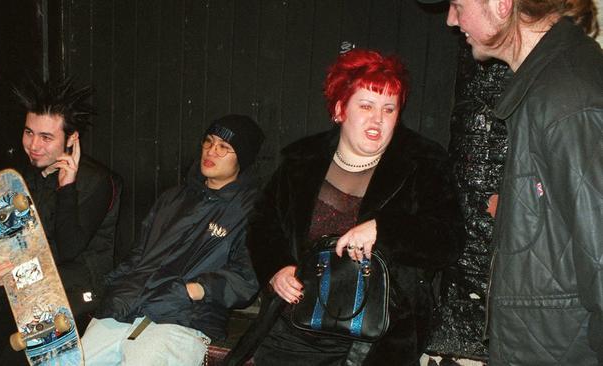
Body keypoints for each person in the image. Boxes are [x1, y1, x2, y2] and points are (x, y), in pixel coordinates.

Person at [224, 49, 463, 366]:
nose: (378, 118)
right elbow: (263, 225)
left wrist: (383, 229)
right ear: (340, 109)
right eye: (366, 105)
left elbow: (449, 240)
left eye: (388, 109)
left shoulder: (423, 163)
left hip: (378, 337)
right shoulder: (301, 161)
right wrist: (277, 268)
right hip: (296, 328)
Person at [418, 0, 603, 364]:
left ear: (500, 4)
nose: (452, 19)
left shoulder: (567, 96)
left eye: (457, 4)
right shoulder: (550, 85)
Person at [81, 114, 264, 366]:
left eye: (224, 147)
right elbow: (138, 254)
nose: (211, 151)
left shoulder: (251, 211)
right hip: (125, 306)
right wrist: (114, 287)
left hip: (184, 317)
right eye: (208, 142)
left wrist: (191, 291)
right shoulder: (173, 198)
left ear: (242, 158)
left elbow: (246, 279)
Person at [0, 77, 121, 365]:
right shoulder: (25, 175)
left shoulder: (96, 181)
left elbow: (69, 251)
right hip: (32, 279)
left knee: (14, 358)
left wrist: (67, 187)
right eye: (29, 133)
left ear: (71, 139)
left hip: (77, 285)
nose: (34, 145)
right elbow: (17, 240)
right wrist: (2, 270)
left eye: (46, 137)